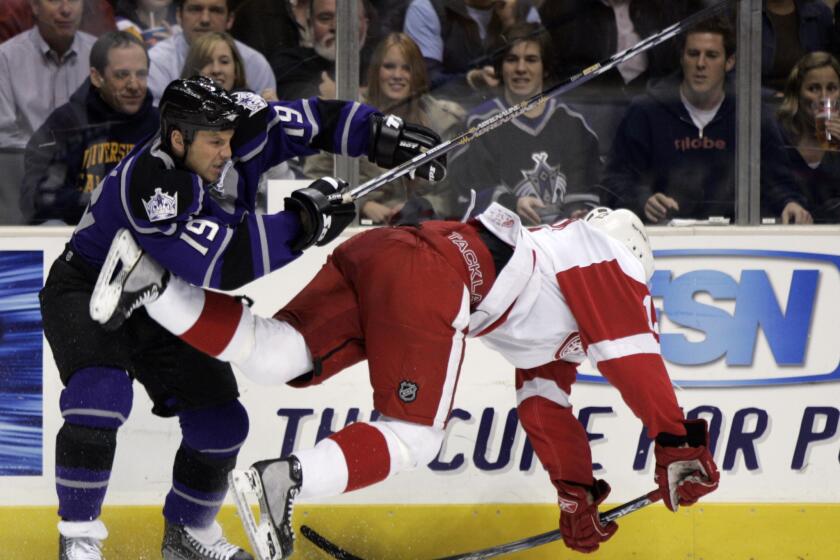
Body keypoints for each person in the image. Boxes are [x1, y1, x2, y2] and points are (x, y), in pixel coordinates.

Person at [91, 203, 720, 558]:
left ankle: (152, 284)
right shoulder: (604, 255)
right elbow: (633, 355)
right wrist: (677, 443)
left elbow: (543, 405)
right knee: (415, 436)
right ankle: (285, 480)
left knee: (277, 355)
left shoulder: (556, 292)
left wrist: (575, 493)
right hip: (436, 275)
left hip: (389, 250)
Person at [40, 75, 445, 560]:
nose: (227, 152)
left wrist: (382, 134)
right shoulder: (151, 185)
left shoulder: (241, 127)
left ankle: (188, 536)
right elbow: (218, 265)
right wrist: (302, 223)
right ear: (177, 138)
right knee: (100, 396)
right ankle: (79, 538)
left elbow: (315, 120)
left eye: (229, 140)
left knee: (222, 422)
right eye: (214, 143)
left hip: (159, 294)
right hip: (90, 285)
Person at [602, 15, 813, 224]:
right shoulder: (645, 111)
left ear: (729, 62)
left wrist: (789, 202)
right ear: (682, 58)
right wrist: (642, 201)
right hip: (662, 235)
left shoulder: (752, 114)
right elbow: (616, 180)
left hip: (735, 238)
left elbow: (778, 180)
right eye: (693, 54)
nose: (701, 64)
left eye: (711, 55)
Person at [450, 23, 602, 225]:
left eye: (531, 60)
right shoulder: (478, 125)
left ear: (545, 68)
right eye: (511, 60)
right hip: (504, 243)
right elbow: (465, 197)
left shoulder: (573, 122)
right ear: (500, 67)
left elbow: (590, 187)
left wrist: (577, 213)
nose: (521, 68)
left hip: (565, 242)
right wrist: (512, 204)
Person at [304, 32, 464, 223]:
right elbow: (315, 176)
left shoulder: (443, 121)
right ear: (376, 71)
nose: (397, 75)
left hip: (423, 229)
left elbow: (452, 194)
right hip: (356, 227)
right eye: (389, 67)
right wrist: (360, 204)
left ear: (418, 74)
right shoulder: (348, 116)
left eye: (407, 68)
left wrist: (419, 207)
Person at [21, 31, 158, 225]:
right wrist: (110, 203)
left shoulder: (161, 126)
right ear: (96, 77)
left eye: (141, 74)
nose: (134, 85)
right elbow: (41, 199)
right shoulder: (64, 124)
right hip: (76, 233)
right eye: (122, 75)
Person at [0, 0, 96, 225]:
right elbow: (3, 134)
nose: (66, 9)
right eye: (54, 0)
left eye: (73, 0)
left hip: (89, 172)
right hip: (23, 176)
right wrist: (49, 156)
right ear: (34, 6)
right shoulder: (5, 58)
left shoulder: (100, 55)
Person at [404, 0, 541, 106]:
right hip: (452, 112)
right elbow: (424, 80)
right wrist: (470, 80)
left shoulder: (522, 9)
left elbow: (544, 69)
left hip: (514, 106)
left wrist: (510, 23)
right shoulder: (427, 8)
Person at [146, 0, 276, 102]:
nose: (205, 19)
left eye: (215, 10)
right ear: (179, 16)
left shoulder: (255, 64)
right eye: (195, 9)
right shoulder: (157, 61)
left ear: (230, 19)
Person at [777, 51, 840, 222]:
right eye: (814, 89)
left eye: (832, 88)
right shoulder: (779, 134)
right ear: (797, 93)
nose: (824, 98)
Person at [270, 0, 373, 101]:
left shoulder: (379, 63)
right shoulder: (290, 63)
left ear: (366, 24)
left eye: (349, 17)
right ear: (310, 25)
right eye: (325, 18)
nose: (337, 26)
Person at [762, 0, 837, 94]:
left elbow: (831, 66)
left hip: (810, 99)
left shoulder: (820, 13)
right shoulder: (747, 13)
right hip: (761, 101)